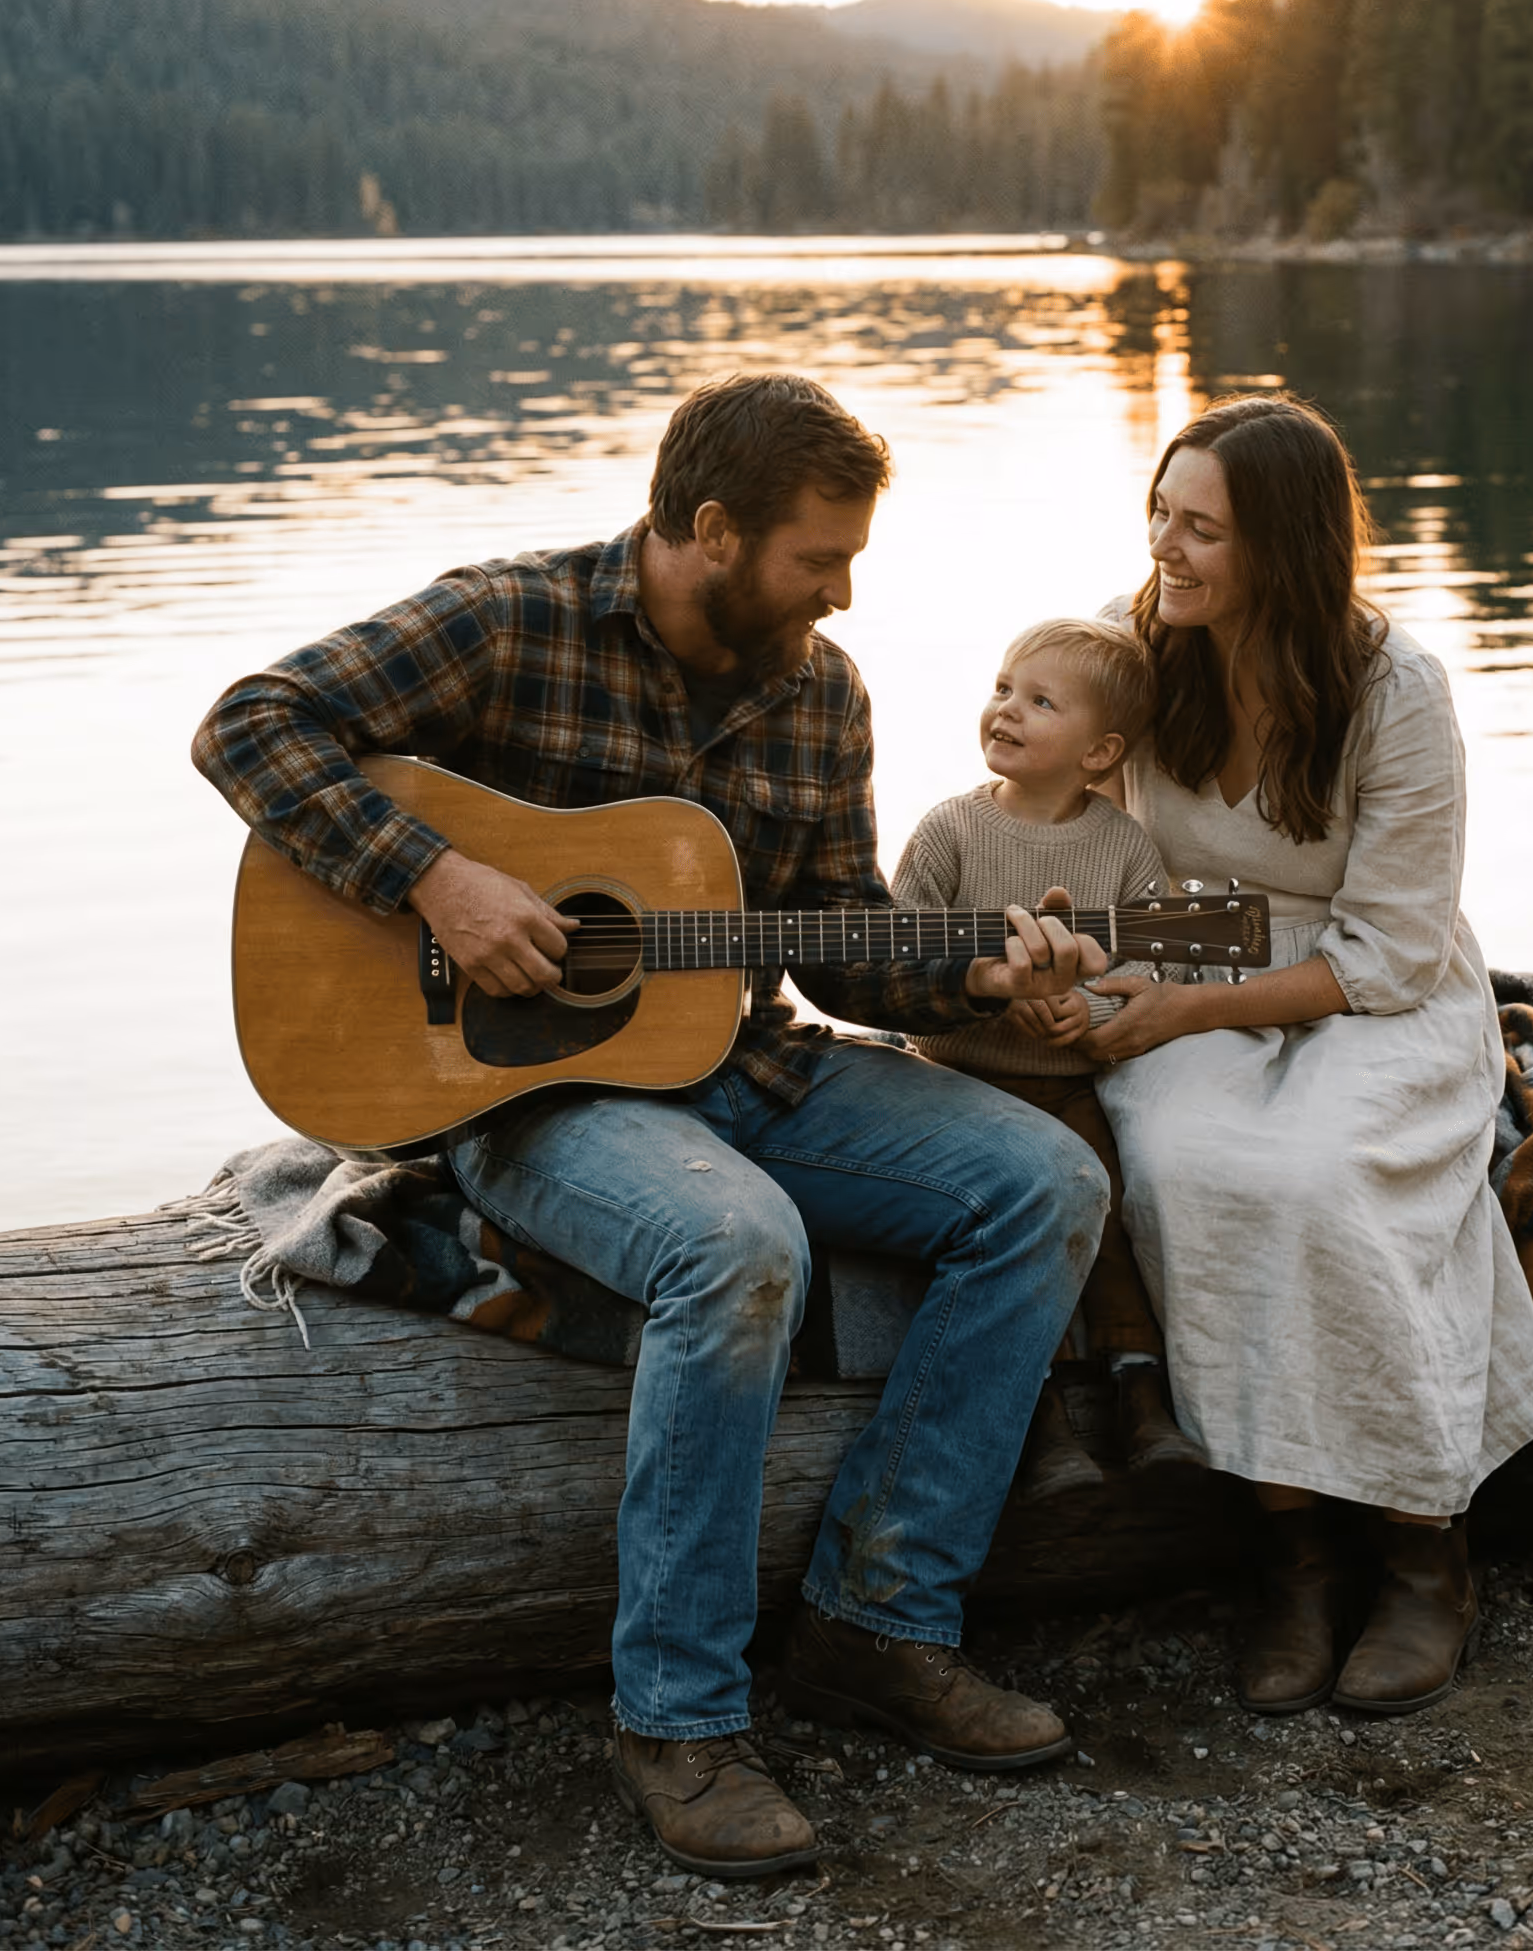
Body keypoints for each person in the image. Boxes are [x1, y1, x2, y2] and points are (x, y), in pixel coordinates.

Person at [193, 372, 1114, 1879]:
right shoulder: (508, 622)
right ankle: (678, 1720)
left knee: (1047, 1184)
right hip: (531, 1101)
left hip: (748, 1071)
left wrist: (976, 969)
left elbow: (827, 936)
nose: (846, 591)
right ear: (709, 529)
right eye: (821, 558)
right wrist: (437, 878)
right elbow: (251, 724)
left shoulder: (818, 688)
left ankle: (879, 1621)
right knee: (737, 1244)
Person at [1065, 396, 1533, 1718]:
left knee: (1322, 1175)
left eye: (1202, 529)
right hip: (1191, 953)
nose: (1167, 548)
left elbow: (1388, 955)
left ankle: (1421, 1544)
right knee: (1174, 1162)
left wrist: (1178, 1016)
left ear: (1281, 548)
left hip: (1372, 990)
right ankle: (1289, 1553)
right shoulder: (1137, 650)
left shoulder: (1397, 691)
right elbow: (1049, 798)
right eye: (1160, 514)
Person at [889, 617, 1204, 1499]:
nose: (1006, 710)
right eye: (1001, 688)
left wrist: (1085, 1004)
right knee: (1005, 1225)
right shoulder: (950, 830)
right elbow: (895, 950)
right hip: (959, 1079)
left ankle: (1140, 1392)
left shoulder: (1124, 847)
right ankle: (1040, 1411)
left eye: (1038, 701)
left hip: (1071, 1084)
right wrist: (985, 988)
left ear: (1100, 751)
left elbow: (1155, 961)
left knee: (1105, 1213)